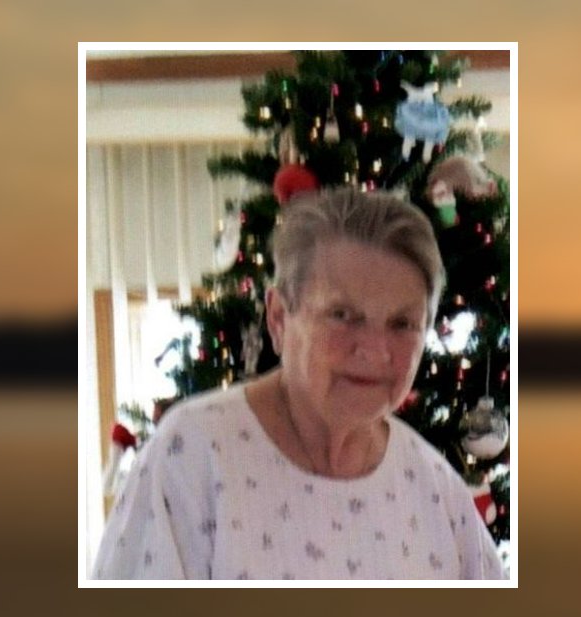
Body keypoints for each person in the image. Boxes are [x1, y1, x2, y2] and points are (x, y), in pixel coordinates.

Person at [91, 187, 506, 580]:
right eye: (343, 315)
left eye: (402, 324)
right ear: (278, 318)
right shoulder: (194, 452)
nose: (375, 350)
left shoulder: (434, 488)